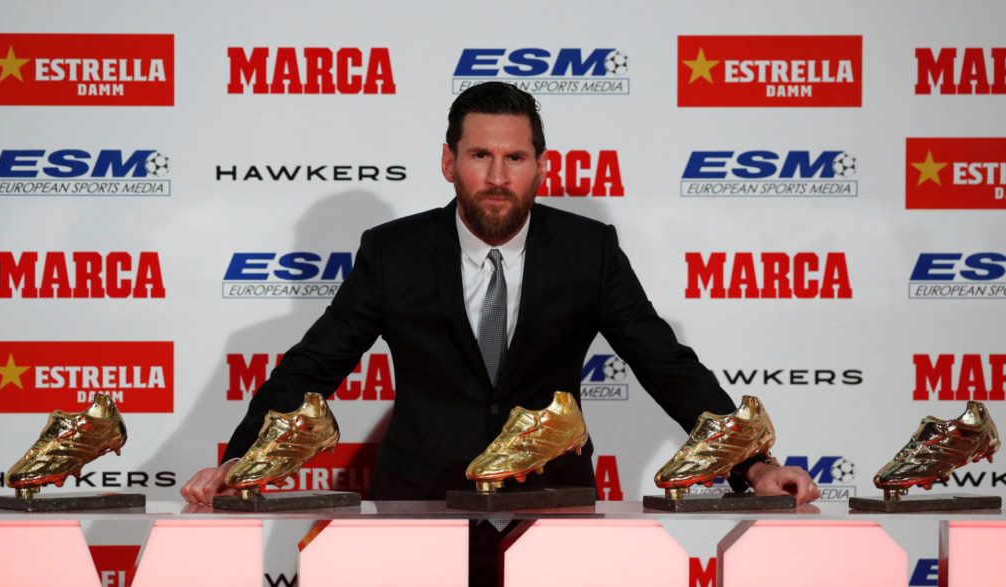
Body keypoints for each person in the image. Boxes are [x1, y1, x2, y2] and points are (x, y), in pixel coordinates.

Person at [182, 81, 819, 506]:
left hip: (553, 500)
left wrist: (754, 465)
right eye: (479, 155)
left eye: (515, 158)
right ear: (448, 162)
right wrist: (240, 462)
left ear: (541, 165)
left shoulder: (588, 250)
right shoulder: (394, 252)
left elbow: (665, 362)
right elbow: (313, 366)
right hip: (420, 501)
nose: (496, 177)